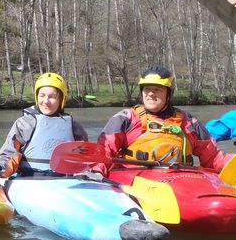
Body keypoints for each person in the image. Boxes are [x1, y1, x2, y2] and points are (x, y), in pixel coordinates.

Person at [96, 66, 228, 172]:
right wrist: (96, 172)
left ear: (168, 94)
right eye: (147, 89)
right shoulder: (126, 119)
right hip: (136, 178)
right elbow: (103, 152)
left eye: (157, 89)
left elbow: (213, 157)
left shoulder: (188, 122)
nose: (151, 94)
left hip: (179, 179)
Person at [0, 72, 88, 177]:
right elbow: (10, 153)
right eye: (42, 95)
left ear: (61, 99)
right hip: (29, 178)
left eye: (52, 97)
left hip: (64, 179)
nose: (46, 101)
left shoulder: (74, 127)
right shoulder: (25, 124)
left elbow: (84, 157)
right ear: (37, 97)